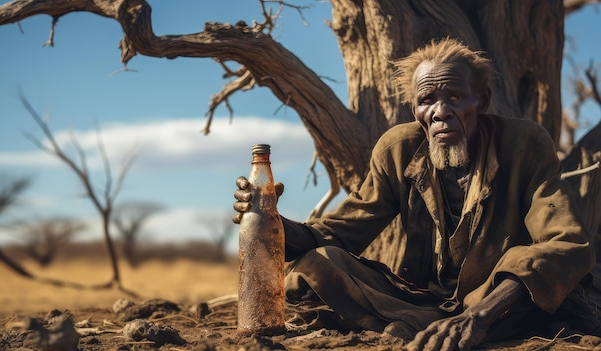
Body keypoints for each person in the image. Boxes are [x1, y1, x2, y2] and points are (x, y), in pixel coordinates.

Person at [233, 38, 595, 351]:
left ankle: (415, 328)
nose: (441, 113)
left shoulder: (524, 145)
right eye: (428, 101)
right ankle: (417, 325)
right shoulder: (397, 149)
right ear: (415, 110)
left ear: (481, 101)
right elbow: (340, 233)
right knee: (319, 262)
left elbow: (566, 244)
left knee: (525, 269)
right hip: (419, 299)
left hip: (496, 304)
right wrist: (271, 223)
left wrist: (479, 318)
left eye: (455, 97)